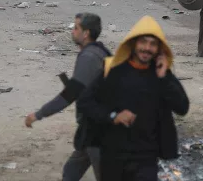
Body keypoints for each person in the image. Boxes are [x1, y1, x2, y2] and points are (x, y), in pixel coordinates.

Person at [77, 15, 189, 181]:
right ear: (134, 43)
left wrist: (164, 77)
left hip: (146, 159)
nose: (147, 48)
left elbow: (182, 108)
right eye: (143, 42)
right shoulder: (114, 71)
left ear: (159, 49)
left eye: (152, 44)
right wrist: (113, 116)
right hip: (113, 156)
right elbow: (84, 102)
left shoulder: (162, 75)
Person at [25, 13, 111, 181]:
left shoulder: (89, 57)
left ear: (85, 33)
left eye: (76, 28)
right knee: (71, 171)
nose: (72, 31)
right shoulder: (99, 50)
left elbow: (68, 96)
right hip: (92, 127)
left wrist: (37, 115)